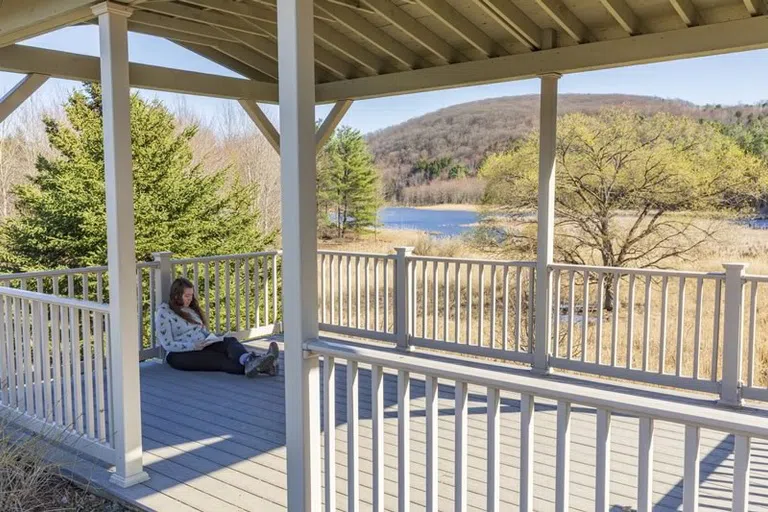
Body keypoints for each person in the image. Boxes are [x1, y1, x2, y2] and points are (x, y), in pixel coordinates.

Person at [155, 277, 278, 377]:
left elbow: (201, 331)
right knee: (219, 359)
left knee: (229, 341)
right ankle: (262, 365)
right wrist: (193, 346)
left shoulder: (190, 310)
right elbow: (167, 344)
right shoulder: (164, 313)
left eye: (191, 295)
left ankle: (250, 360)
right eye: (187, 296)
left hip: (202, 344)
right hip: (179, 354)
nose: (190, 299)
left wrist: (212, 338)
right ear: (176, 295)